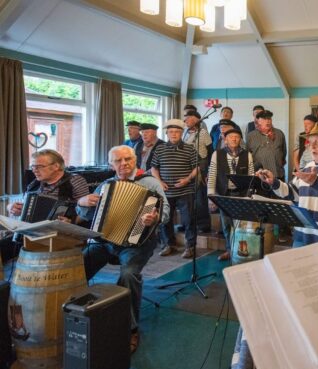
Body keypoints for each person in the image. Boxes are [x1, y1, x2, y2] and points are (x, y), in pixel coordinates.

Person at [77, 145, 169, 354]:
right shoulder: (105, 185)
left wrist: (153, 218)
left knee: (129, 274)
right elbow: (86, 214)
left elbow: (165, 214)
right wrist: (82, 202)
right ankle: (76, 313)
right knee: (79, 265)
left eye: (127, 159)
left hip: (138, 242)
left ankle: (130, 329)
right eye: (118, 161)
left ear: (135, 160)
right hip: (105, 240)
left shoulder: (150, 183)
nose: (123, 164)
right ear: (111, 164)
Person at [257, 123, 318, 247]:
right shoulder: (308, 166)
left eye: (317, 142)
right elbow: (292, 193)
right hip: (301, 234)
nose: (311, 146)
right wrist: (273, 182)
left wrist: (316, 182)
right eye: (309, 142)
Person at [151, 119, 198, 258]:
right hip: (166, 191)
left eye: (177, 132)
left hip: (185, 190)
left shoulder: (190, 148)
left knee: (188, 220)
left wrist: (187, 179)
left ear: (181, 133)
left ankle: (190, 247)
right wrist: (159, 182)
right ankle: (168, 244)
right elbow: (154, 168)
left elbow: (197, 168)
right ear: (166, 133)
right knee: (165, 219)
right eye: (171, 132)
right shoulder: (159, 149)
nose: (174, 134)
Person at [207, 128, 255, 261]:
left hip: (241, 195)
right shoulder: (217, 154)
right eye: (231, 136)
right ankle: (229, 250)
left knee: (240, 226)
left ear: (240, 140)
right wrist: (211, 196)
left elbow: (251, 176)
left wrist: (250, 195)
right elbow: (212, 175)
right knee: (227, 225)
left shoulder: (247, 154)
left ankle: (241, 251)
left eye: (237, 137)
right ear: (225, 139)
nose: (234, 139)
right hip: (224, 195)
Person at [8, 149, 89, 218]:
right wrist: (11, 207)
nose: (34, 170)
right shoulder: (35, 183)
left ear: (56, 166)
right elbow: (24, 207)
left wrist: (71, 221)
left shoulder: (74, 180)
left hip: (62, 231)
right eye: (33, 166)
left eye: (39, 166)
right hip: (33, 230)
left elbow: (86, 212)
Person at [182, 110, 213, 233]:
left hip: (201, 165)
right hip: (186, 166)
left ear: (195, 119)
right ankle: (187, 224)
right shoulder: (184, 133)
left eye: (187, 118)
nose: (185, 120)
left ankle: (203, 224)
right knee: (187, 199)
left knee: (200, 198)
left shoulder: (203, 133)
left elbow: (211, 151)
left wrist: (208, 171)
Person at [246, 110, 287, 181]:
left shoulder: (279, 133)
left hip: (278, 175)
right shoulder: (251, 136)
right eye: (265, 119)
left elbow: (283, 152)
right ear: (258, 121)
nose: (268, 121)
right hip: (260, 176)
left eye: (269, 118)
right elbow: (247, 155)